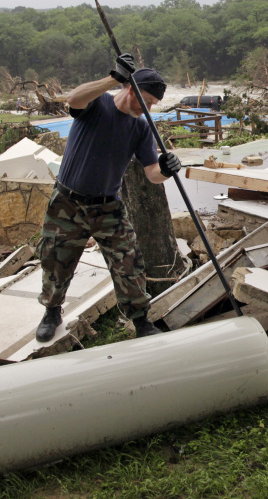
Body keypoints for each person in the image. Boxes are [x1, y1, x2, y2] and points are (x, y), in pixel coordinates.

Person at [34, 53, 182, 342]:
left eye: (153, 104)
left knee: (129, 263)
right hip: (68, 203)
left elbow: (152, 173)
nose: (149, 108)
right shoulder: (97, 104)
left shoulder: (141, 127)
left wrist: (166, 169)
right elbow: (73, 100)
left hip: (108, 207)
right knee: (55, 259)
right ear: (131, 89)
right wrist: (113, 77)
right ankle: (52, 311)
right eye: (147, 100)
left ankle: (140, 320)